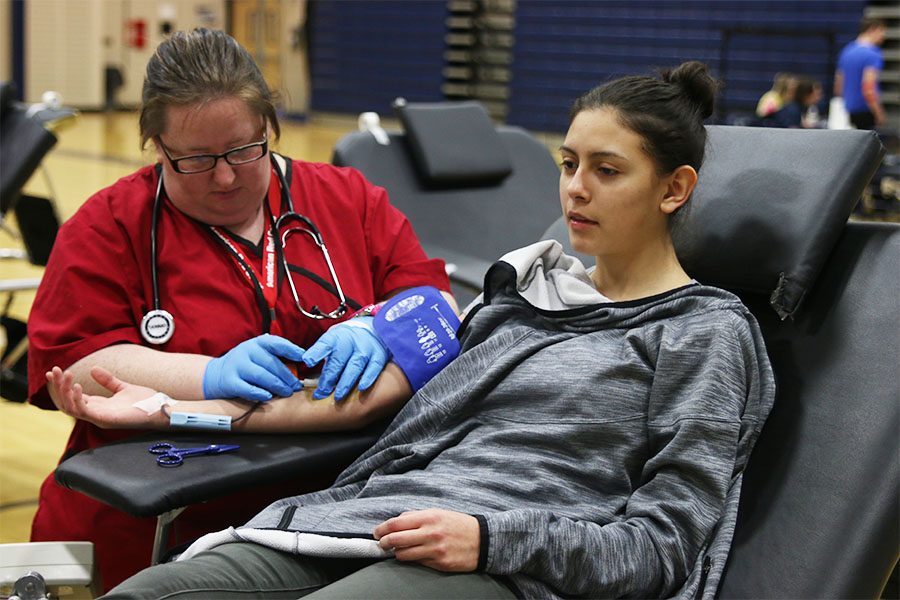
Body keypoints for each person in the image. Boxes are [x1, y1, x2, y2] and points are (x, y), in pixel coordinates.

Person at [51, 60, 776, 599]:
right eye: (568, 164)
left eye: (607, 170)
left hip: (503, 556)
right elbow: (392, 405)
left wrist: (493, 538)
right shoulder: (521, 300)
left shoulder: (701, 332)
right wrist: (172, 407)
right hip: (376, 517)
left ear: (674, 188)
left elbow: (666, 543)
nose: (575, 189)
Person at [26, 28, 455, 591]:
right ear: (157, 146)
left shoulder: (346, 199)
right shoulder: (110, 226)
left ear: (270, 128)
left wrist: (380, 327)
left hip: (323, 511)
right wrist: (209, 374)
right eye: (196, 160)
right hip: (157, 516)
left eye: (244, 150)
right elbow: (78, 366)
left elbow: (438, 308)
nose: (225, 177)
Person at [834, 17, 887, 129]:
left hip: (850, 110)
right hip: (866, 110)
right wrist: (878, 112)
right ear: (873, 29)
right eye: (881, 31)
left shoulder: (846, 51)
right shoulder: (873, 54)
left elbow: (839, 86)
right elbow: (868, 88)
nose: (883, 36)